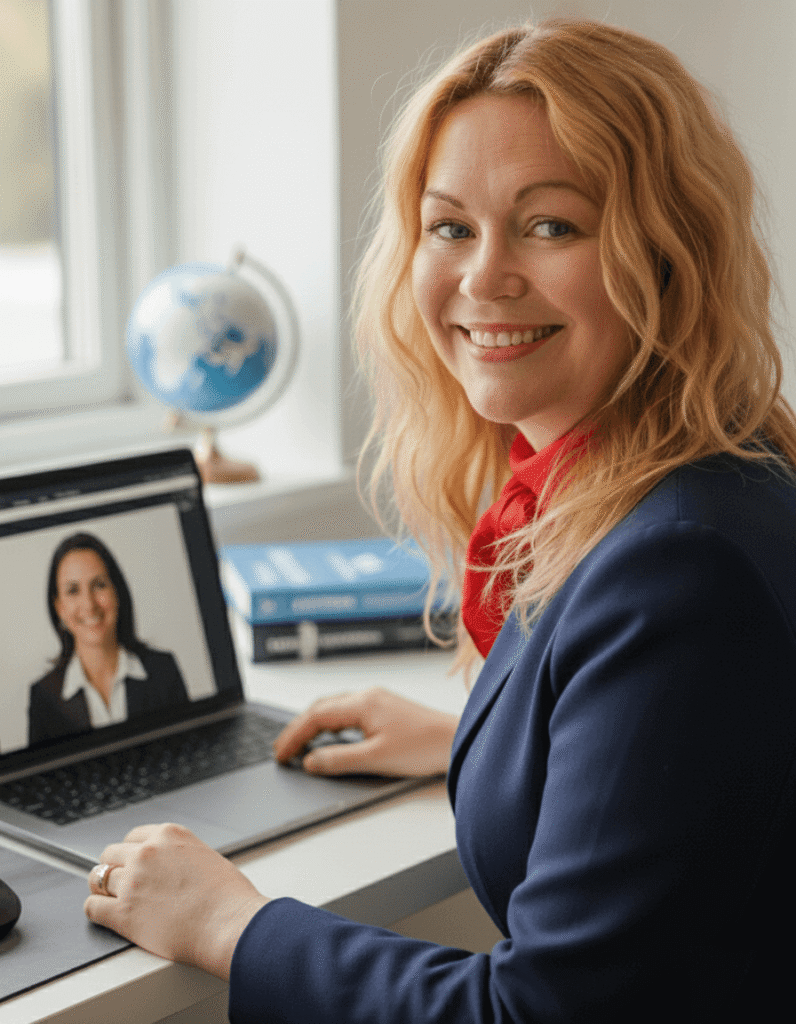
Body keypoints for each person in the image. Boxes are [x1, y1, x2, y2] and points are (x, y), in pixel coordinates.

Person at [84, 19, 796, 1022]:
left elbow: (542, 1012)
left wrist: (228, 923)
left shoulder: (682, 565)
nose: (483, 276)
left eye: (550, 225)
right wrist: (479, 737)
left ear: (667, 254)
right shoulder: (697, 472)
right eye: (450, 226)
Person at [29, 532, 189, 745]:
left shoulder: (163, 670)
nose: (89, 604)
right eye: (73, 590)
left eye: (99, 585)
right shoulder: (44, 697)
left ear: (117, 592)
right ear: (59, 608)